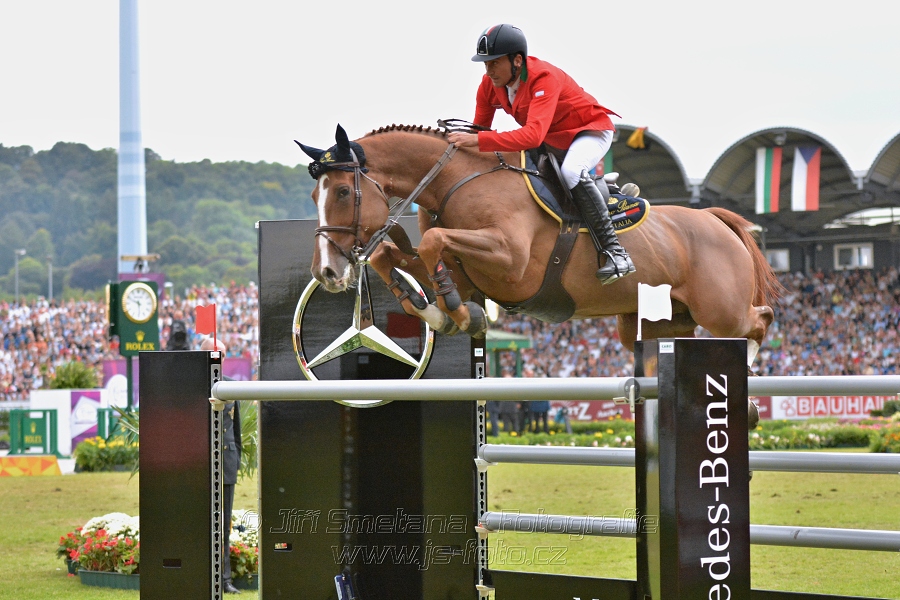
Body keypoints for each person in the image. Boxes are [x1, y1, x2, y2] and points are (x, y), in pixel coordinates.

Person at [447, 24, 635, 285]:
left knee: (571, 172)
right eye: (485, 63)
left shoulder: (542, 78)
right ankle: (605, 189)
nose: (488, 70)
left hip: (588, 131)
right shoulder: (489, 84)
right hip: (552, 138)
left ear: (517, 60)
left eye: (494, 62)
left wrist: (477, 139)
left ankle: (616, 253)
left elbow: (530, 136)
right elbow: (480, 130)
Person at [200, 336, 242, 594]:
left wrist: (235, 460)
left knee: (224, 524)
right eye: (214, 354)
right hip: (202, 465)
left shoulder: (231, 388)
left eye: (223, 354)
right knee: (201, 522)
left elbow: (234, 431)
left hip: (225, 463)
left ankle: (224, 579)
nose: (219, 359)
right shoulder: (194, 388)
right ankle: (202, 574)